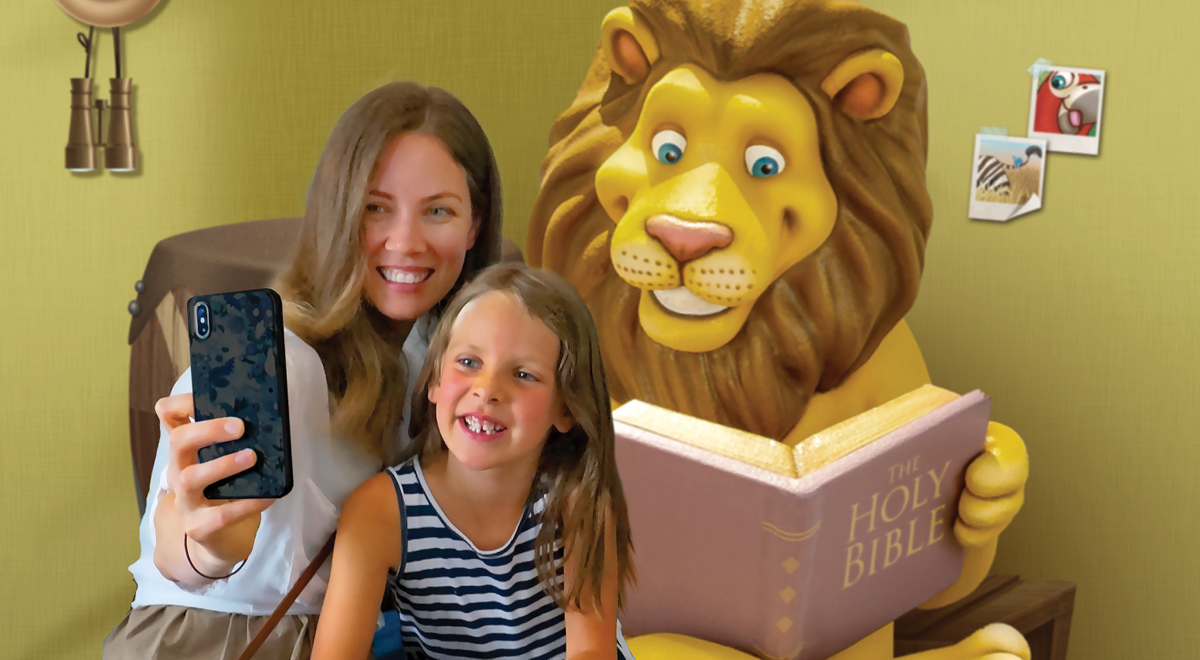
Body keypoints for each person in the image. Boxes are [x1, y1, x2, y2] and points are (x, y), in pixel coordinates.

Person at [103, 81, 505, 659]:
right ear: (336, 215)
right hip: (218, 642)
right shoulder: (276, 363)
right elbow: (180, 548)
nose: (405, 242)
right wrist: (208, 542)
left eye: (438, 210)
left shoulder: (440, 358)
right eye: (375, 208)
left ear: (473, 225)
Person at [311, 263, 638, 659]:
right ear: (433, 380)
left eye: (522, 374)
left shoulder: (575, 502)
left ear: (566, 409)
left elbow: (590, 653)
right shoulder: (379, 512)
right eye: (468, 363)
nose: (487, 391)